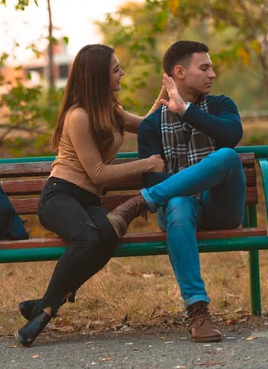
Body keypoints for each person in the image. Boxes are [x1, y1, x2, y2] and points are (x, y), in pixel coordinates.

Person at [14, 44, 166, 347]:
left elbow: (148, 126)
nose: (122, 73)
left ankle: (44, 304)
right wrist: (147, 164)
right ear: (98, 76)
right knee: (88, 238)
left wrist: (162, 100)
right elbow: (98, 173)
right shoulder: (78, 116)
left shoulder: (110, 111)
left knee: (107, 235)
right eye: (115, 69)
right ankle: (46, 313)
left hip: (87, 201)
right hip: (59, 196)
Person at [116, 40, 246, 342]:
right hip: (180, 214)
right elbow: (153, 182)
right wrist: (169, 189)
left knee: (227, 156)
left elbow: (232, 135)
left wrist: (186, 111)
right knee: (175, 202)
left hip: (221, 207)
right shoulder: (151, 126)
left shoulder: (220, 106)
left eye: (211, 67)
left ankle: (140, 205)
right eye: (205, 67)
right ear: (180, 72)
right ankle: (198, 311)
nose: (212, 73)